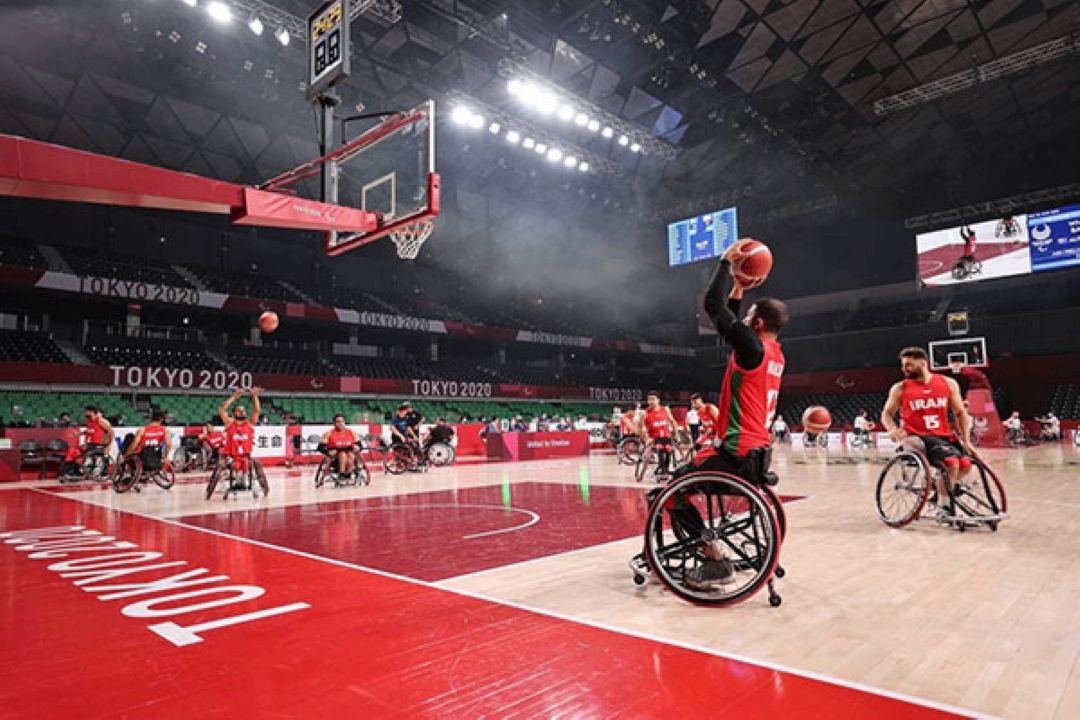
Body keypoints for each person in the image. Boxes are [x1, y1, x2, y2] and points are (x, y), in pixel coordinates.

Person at [671, 244, 789, 588]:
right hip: (756, 453)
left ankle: (714, 561)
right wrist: (738, 288)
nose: (744, 318)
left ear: (759, 323)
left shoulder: (752, 346)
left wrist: (725, 261)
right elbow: (731, 325)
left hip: (735, 453)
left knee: (670, 492)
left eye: (749, 314)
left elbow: (713, 306)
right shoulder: (773, 353)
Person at [881, 348, 973, 515]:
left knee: (966, 466)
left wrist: (966, 441)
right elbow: (886, 414)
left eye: (909, 365)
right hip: (916, 438)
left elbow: (960, 413)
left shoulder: (948, 383)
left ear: (923, 363)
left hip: (943, 436)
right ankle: (943, 508)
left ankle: (940, 488)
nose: (904, 368)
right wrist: (892, 429)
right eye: (903, 365)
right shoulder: (900, 388)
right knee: (951, 462)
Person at [219, 387, 262, 486]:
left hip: (245, 455)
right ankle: (237, 476)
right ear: (233, 413)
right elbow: (222, 410)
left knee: (245, 463)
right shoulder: (230, 423)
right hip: (231, 455)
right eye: (239, 410)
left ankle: (244, 477)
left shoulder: (249, 423)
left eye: (243, 410)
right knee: (235, 464)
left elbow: (257, 410)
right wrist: (234, 397)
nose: (242, 412)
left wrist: (254, 396)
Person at [636, 391, 679, 477]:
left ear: (658, 400)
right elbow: (640, 428)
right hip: (654, 438)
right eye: (649, 400)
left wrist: (676, 435)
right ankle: (663, 471)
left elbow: (673, 422)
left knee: (668, 449)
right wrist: (646, 438)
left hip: (666, 437)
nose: (651, 402)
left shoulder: (665, 410)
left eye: (653, 399)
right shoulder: (645, 413)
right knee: (660, 448)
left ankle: (665, 468)